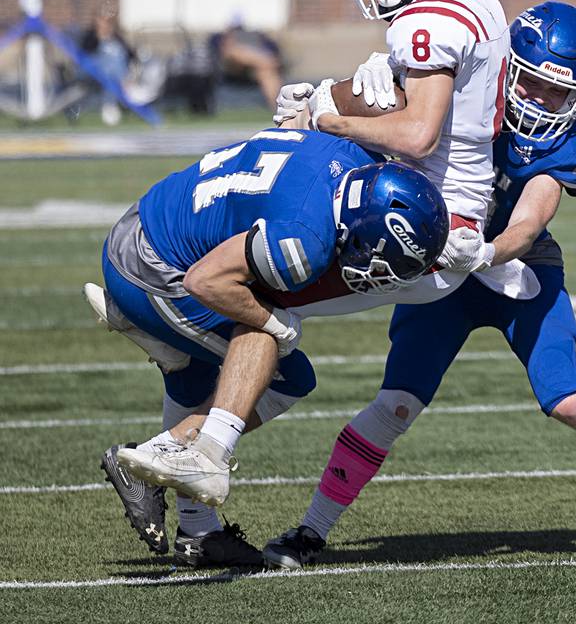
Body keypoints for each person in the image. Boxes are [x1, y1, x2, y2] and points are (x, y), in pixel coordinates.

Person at [263, 2, 576, 569]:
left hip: (510, 264)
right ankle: (311, 530)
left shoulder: (572, 143)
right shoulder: (469, 88)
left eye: (563, 92)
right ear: (509, 64)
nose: (548, 102)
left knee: (570, 401)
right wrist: (344, 94)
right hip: (439, 268)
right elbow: (402, 122)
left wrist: (486, 250)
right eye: (539, 84)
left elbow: (527, 222)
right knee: (394, 405)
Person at [112, 0, 529, 520]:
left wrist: (327, 119)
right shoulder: (475, 0)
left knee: (262, 303)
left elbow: (416, 130)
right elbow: (416, 106)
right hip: (421, 199)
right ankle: (191, 489)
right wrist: (327, 96)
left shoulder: (428, 21)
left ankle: (187, 445)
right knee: (247, 306)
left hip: (419, 224)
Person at [85, 128, 450, 567]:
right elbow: (206, 281)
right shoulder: (305, 241)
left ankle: (199, 533)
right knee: (276, 352)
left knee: (200, 372)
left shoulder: (351, 154)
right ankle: (167, 454)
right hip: (152, 267)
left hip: (145, 223)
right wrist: (275, 322)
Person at [80, 5, 135, 126]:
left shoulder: (116, 37)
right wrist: (99, 37)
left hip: (114, 73)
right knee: (111, 62)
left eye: (107, 21)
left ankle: (118, 92)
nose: (104, 24)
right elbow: (85, 53)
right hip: (97, 70)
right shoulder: (90, 37)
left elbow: (130, 54)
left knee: (116, 58)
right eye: (101, 20)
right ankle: (122, 91)